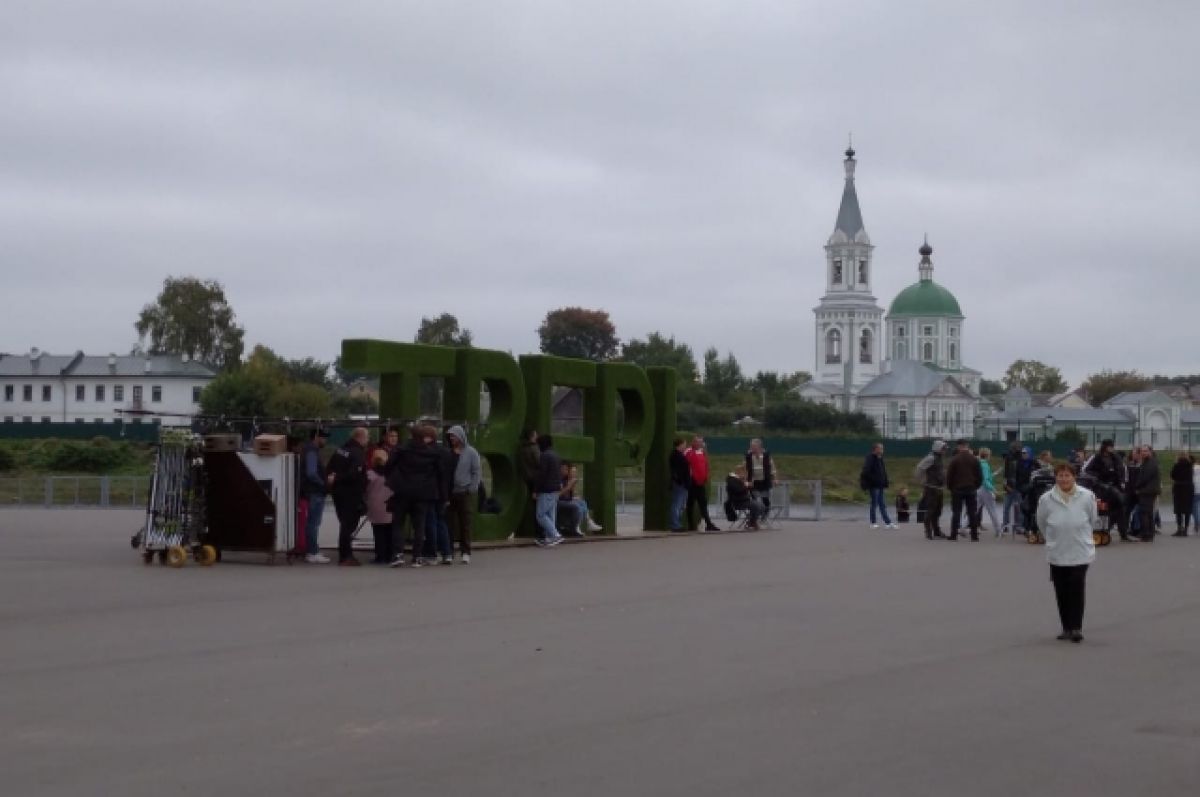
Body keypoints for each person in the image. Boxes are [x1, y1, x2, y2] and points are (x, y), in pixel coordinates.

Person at [1036, 462, 1097, 643]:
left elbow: (1092, 519)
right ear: (1056, 477)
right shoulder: (1046, 499)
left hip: (1080, 550)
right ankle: (1066, 627)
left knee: (1077, 586)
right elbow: (1041, 522)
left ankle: (1076, 627)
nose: (1064, 479)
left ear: (1074, 477)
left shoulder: (1087, 496)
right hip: (1057, 550)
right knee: (1061, 590)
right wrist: (1052, 537)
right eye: (1060, 476)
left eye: (1067, 475)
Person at [385, 424, 443, 567]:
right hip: (422, 493)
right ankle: (417, 557)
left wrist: (393, 480)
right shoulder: (432, 453)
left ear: (411, 435)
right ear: (423, 437)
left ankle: (398, 554)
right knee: (420, 526)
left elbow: (389, 465)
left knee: (398, 524)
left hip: (402, 491)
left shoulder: (402, 449)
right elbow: (439, 472)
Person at [328, 427, 369, 566]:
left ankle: (345, 554)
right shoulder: (357, 452)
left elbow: (329, 467)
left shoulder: (341, 450)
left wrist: (334, 478)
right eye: (367, 437)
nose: (368, 440)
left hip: (338, 492)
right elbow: (354, 474)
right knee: (349, 524)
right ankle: (346, 556)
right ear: (360, 437)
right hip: (351, 493)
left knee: (344, 523)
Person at [446, 425, 481, 563]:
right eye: (450, 436)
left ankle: (466, 551)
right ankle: (448, 551)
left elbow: (476, 471)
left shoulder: (471, 452)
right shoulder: (449, 452)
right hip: (450, 492)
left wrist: (472, 488)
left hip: (464, 492)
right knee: (448, 523)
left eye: (454, 436)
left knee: (465, 523)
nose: (452, 438)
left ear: (460, 436)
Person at [1083, 439, 1130, 541]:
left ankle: (1123, 533)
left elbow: (1121, 469)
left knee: (1121, 508)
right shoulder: (1096, 457)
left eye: (1112, 446)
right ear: (1104, 446)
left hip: (1115, 486)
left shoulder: (1115, 457)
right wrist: (1098, 478)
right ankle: (1104, 531)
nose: (1111, 448)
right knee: (1105, 510)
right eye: (1109, 446)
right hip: (1102, 487)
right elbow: (1087, 470)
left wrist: (1121, 481)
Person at [299, 428, 331, 564]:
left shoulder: (309, 450)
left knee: (312, 523)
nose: (326, 440)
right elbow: (311, 473)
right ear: (316, 437)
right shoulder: (311, 451)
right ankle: (312, 552)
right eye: (324, 437)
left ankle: (312, 550)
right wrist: (323, 482)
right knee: (313, 523)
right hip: (315, 492)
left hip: (312, 491)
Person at [945, 438, 983, 541]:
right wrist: (976, 486)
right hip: (971, 488)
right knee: (972, 512)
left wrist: (950, 487)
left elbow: (949, 475)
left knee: (956, 512)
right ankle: (974, 536)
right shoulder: (974, 459)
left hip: (957, 489)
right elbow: (979, 476)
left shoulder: (955, 459)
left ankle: (953, 535)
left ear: (959, 446)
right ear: (967, 446)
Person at [533, 434, 564, 547]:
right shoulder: (555, 455)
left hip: (546, 489)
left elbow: (542, 475)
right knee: (551, 515)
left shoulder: (545, 456)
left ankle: (555, 535)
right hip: (555, 489)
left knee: (540, 515)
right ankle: (550, 537)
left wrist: (536, 490)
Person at [684, 436, 720, 532]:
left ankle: (708, 523)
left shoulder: (702, 452)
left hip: (701, 482)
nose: (700, 444)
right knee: (690, 503)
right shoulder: (689, 452)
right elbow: (686, 465)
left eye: (701, 442)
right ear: (694, 442)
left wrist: (706, 476)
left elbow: (705, 465)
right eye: (698, 442)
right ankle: (692, 524)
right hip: (693, 482)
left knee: (702, 504)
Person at [365, 449, 394, 564]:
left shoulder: (369, 474)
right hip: (390, 504)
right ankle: (390, 554)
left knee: (378, 532)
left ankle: (380, 556)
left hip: (374, 505)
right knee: (390, 531)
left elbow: (365, 489)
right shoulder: (392, 473)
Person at [559, 462, 602, 536]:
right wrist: (570, 487)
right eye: (572, 472)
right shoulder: (559, 479)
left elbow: (569, 495)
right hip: (559, 501)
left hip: (565, 500)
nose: (574, 473)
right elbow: (560, 495)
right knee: (578, 506)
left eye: (575, 472)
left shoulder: (567, 479)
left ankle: (588, 522)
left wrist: (573, 493)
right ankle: (577, 527)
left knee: (582, 502)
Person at [859, 442, 895, 529]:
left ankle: (888, 522)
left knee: (882, 504)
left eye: (883, 448)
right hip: (874, 486)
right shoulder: (870, 458)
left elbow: (883, 471)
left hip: (881, 485)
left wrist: (885, 482)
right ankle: (873, 522)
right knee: (874, 503)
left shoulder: (880, 458)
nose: (883, 450)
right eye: (881, 448)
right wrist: (874, 480)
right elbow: (865, 472)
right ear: (876, 449)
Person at [915, 440, 947, 540]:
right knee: (930, 510)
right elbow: (919, 468)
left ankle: (937, 531)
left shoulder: (939, 458)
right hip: (931, 488)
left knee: (938, 511)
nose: (945, 451)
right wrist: (921, 481)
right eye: (943, 448)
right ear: (938, 448)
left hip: (939, 488)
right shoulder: (931, 458)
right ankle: (928, 531)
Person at [1132, 444, 1161, 543]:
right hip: (1148, 490)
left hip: (1147, 491)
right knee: (1147, 513)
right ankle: (1149, 534)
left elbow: (1144, 478)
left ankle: (1146, 535)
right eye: (1142, 451)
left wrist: (1137, 487)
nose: (1143, 453)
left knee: (1145, 513)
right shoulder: (1148, 462)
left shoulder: (1151, 463)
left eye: (1145, 451)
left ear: (1150, 452)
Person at [724, 465, 764, 529]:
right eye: (745, 473)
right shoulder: (732, 480)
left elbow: (748, 489)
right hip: (738, 501)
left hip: (746, 500)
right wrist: (745, 485)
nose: (745, 475)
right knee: (756, 505)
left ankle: (751, 521)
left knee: (762, 506)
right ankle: (753, 522)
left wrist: (750, 486)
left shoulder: (741, 480)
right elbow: (737, 490)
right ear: (739, 472)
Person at [977, 447, 1003, 537]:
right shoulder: (985, 465)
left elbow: (986, 477)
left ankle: (963, 527)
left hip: (979, 488)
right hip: (986, 490)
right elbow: (986, 480)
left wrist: (995, 473)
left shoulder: (979, 464)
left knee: (974, 509)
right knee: (992, 510)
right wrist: (993, 489)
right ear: (987, 455)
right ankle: (998, 530)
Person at [745, 438, 775, 514]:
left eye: (753, 446)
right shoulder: (749, 456)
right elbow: (746, 469)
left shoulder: (766, 455)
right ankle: (754, 516)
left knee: (765, 498)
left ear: (759, 446)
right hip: (753, 482)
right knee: (754, 499)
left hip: (764, 480)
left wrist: (774, 478)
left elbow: (772, 468)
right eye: (751, 446)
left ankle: (765, 514)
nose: (752, 448)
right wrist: (747, 480)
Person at [1001, 442, 1025, 533]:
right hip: (1011, 484)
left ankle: (1015, 525)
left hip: (1017, 485)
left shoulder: (1021, 459)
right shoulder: (1009, 458)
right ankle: (1007, 525)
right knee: (1010, 507)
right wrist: (1006, 485)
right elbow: (1006, 473)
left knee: (1016, 507)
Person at [668, 437, 691, 531]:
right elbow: (678, 470)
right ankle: (675, 525)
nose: (685, 446)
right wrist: (680, 480)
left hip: (682, 483)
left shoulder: (678, 455)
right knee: (676, 504)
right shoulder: (676, 456)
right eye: (684, 444)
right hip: (680, 483)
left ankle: (677, 523)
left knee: (680, 504)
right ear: (680, 445)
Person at [1169, 452, 1194, 537]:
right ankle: (1186, 529)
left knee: (1178, 510)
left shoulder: (1177, 465)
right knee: (1187, 510)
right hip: (1188, 489)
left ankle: (1179, 528)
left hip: (1178, 488)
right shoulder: (1190, 465)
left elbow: (1172, 475)